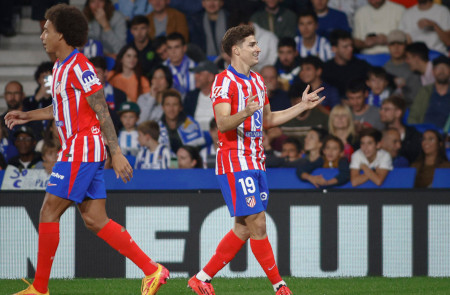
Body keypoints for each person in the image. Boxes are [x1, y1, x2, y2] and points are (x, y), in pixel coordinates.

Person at [5, 4, 169, 295]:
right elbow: (61, 107)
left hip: (82, 148)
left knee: (48, 212)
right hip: (82, 148)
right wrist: (27, 115)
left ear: (62, 35)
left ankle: (39, 289)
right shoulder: (60, 67)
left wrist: (116, 151)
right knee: (95, 220)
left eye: (47, 30)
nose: (42, 35)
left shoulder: (80, 66)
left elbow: (101, 107)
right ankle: (153, 270)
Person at [187, 24, 325, 295]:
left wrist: (301, 106)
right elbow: (223, 123)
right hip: (234, 161)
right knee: (258, 223)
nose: (258, 48)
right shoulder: (223, 81)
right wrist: (246, 111)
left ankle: (201, 278)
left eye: (257, 44)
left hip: (256, 161)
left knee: (243, 228)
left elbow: (269, 120)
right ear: (236, 50)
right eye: (252, 45)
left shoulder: (258, 81)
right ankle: (280, 286)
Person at [322, 29, 370, 98]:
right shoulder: (326, 70)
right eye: (345, 47)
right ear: (334, 49)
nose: (350, 49)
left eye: (351, 45)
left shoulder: (361, 66)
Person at [408, 56, 450, 129]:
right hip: (424, 133)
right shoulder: (425, 91)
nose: (442, 71)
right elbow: (414, 116)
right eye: (438, 68)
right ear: (433, 71)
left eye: (445, 68)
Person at [158, 89, 205, 154]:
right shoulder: (157, 127)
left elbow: (195, 154)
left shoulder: (192, 125)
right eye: (168, 105)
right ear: (162, 107)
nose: (171, 109)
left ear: (180, 107)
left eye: (175, 105)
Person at [383, 29, 422, 107]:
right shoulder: (384, 69)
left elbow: (417, 98)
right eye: (392, 44)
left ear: (405, 45)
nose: (396, 48)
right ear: (388, 46)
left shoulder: (413, 67)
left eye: (400, 44)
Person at [379, 95, 422, 163]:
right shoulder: (379, 135)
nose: (381, 112)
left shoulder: (414, 135)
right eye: (381, 109)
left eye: (386, 109)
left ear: (398, 113)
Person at [184, 60, 219, 131]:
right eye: (195, 73)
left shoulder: (224, 96)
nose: (195, 76)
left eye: (199, 73)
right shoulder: (190, 97)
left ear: (211, 77)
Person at [163, 33, 196, 98]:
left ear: (184, 48)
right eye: (170, 48)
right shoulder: (162, 69)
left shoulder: (195, 67)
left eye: (176, 47)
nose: (173, 52)